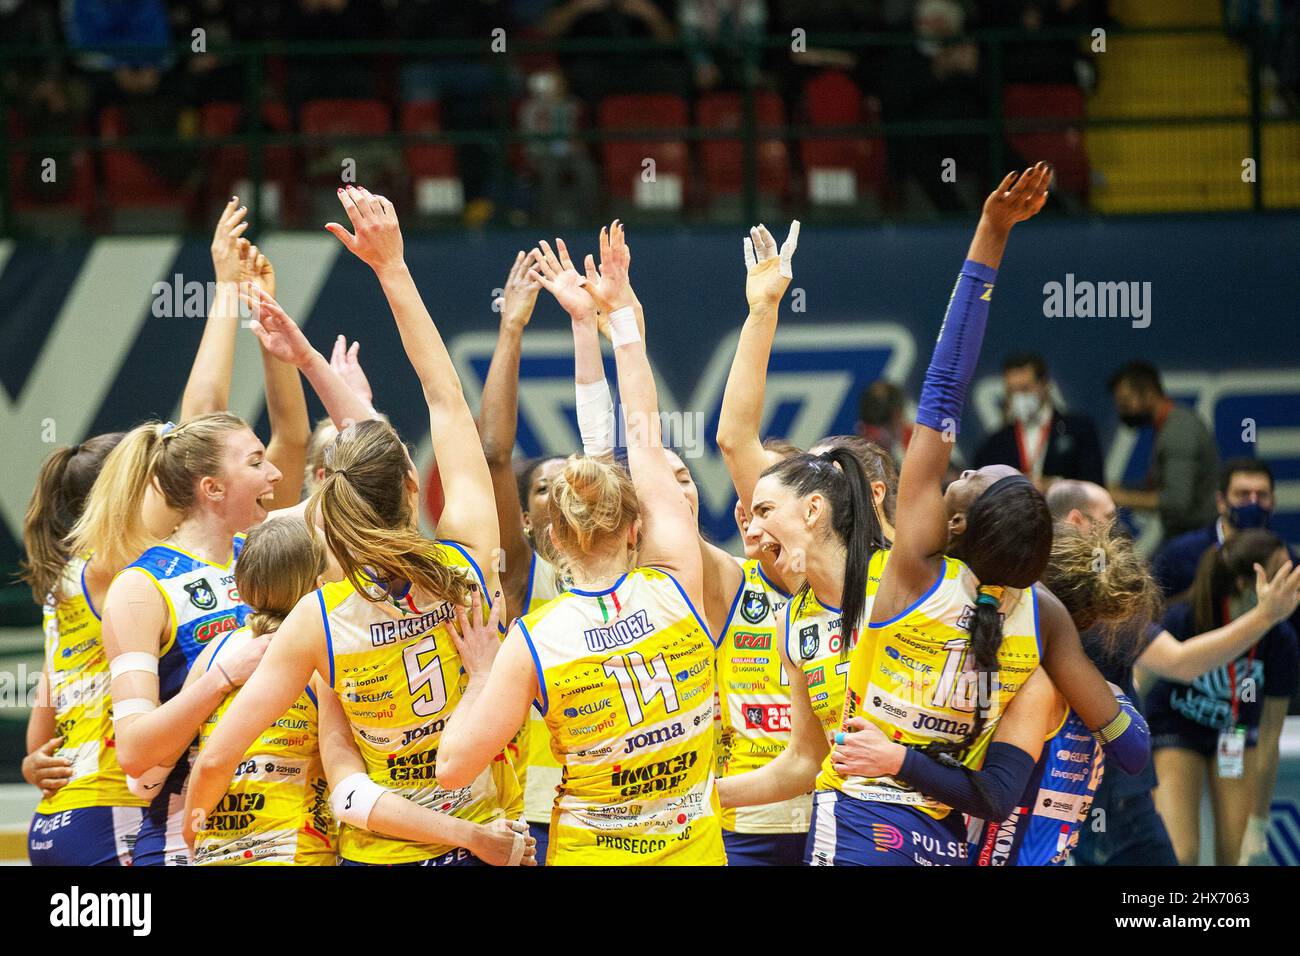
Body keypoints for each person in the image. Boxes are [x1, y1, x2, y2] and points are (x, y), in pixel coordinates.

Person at [186, 187, 524, 867]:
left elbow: (220, 751)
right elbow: (445, 397)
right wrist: (392, 268)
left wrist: (192, 822)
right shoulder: (465, 566)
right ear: (410, 486)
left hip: (382, 851)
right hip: (487, 839)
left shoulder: (318, 618)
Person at [436, 222, 726, 865]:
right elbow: (642, 442)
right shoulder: (677, 582)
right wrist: (617, 316)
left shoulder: (533, 643)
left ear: (549, 537)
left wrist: (482, 671)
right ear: (635, 526)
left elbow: (452, 767)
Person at [827, 518, 1163, 866]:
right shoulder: (1101, 691)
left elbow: (996, 798)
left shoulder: (1031, 686)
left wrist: (897, 759)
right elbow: (1135, 752)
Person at [21, 434, 150, 866]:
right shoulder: (121, 567)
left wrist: (31, 763)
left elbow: (41, 722)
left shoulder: (65, 581)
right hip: (113, 817)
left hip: (60, 817)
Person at [1146, 529, 1299, 865]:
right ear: (1249, 582)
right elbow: (1136, 688)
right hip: (1177, 727)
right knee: (1181, 855)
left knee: (1235, 856)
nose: (1293, 588)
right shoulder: (1187, 616)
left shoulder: (1282, 640)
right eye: (1284, 576)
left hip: (1236, 734)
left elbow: (1270, 736)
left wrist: (1259, 822)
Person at [187, 519, 336, 865]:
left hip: (215, 854)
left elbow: (196, 758)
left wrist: (191, 824)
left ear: (241, 589)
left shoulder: (214, 652)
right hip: (295, 853)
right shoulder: (319, 658)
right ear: (318, 585)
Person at [1152, 459, 1296, 603]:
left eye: (1262, 495)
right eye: (1243, 494)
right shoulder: (1179, 555)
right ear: (1221, 502)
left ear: (1273, 502)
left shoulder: (1286, 559)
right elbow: (1154, 617)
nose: (1253, 503)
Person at [1107, 359, 1219, 542]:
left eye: (1126, 402)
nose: (1122, 410)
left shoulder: (1178, 431)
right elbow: (1163, 487)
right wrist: (1122, 488)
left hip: (1197, 540)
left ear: (1149, 393)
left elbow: (1176, 501)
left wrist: (1120, 496)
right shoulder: (1169, 425)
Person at [973, 351, 1104, 488]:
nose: (1019, 397)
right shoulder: (995, 443)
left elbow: (1095, 486)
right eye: (1012, 390)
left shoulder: (1078, 430)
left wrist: (1054, 485)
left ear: (1045, 385)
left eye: (1025, 388)